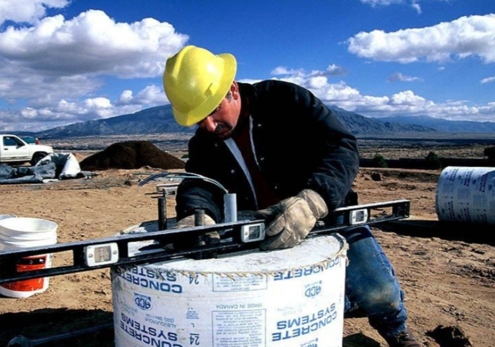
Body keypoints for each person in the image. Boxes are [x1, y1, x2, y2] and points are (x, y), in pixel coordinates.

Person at [162, 45, 422, 347]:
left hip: (325, 215)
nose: (208, 125)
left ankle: (398, 332)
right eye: (198, 119)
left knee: (378, 292)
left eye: (213, 110)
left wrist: (314, 200)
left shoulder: (284, 101)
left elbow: (341, 145)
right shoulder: (205, 144)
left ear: (232, 89)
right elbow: (198, 184)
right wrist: (198, 215)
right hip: (261, 232)